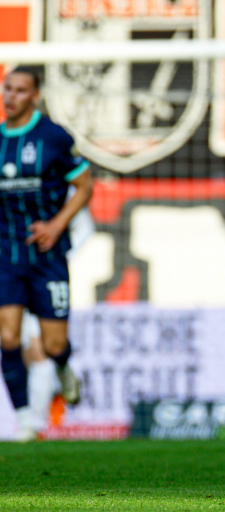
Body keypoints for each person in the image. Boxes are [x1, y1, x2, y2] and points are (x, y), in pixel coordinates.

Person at [0, 67, 92, 436]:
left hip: (48, 256)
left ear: (34, 95)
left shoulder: (53, 137)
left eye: (21, 91)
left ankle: (63, 367)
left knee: (54, 343)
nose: (11, 96)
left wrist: (56, 225)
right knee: (7, 337)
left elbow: (84, 186)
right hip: (7, 254)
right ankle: (24, 418)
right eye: (8, 88)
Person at [16, 199, 95, 442]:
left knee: (40, 349)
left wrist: (61, 250)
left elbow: (85, 225)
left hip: (44, 273)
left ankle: (33, 425)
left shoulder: (54, 182)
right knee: (19, 349)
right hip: (9, 271)